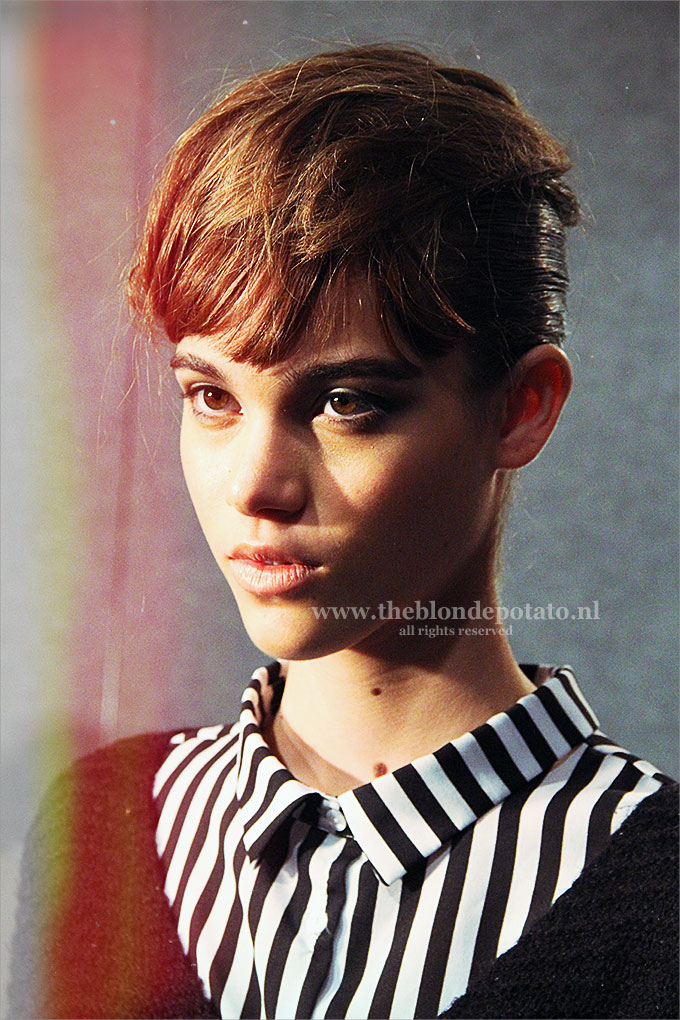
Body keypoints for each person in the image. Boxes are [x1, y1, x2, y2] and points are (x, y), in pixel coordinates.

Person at [10, 44, 678, 1020]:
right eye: (210, 396)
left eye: (346, 402)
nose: (255, 484)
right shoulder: (100, 827)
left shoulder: (656, 895)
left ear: (521, 407)